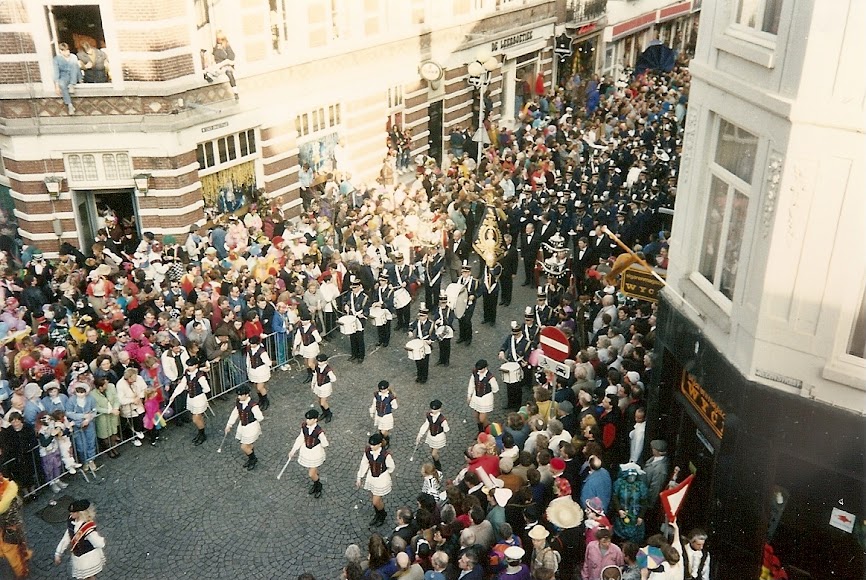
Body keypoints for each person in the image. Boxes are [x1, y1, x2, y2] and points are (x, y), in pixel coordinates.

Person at [54, 499, 106, 579]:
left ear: (80, 513)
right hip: (78, 558)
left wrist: (100, 542)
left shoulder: (87, 527)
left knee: (87, 577)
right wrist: (58, 552)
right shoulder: (71, 521)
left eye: (73, 512)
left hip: (88, 558)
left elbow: (99, 543)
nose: (71, 513)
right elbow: (66, 537)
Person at [166, 358, 210, 446]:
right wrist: (174, 395)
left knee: (195, 418)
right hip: (191, 399)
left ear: (196, 365)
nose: (189, 367)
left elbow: (207, 389)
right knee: (198, 418)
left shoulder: (200, 376)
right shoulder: (187, 374)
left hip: (199, 399)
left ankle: (202, 434)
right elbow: (182, 385)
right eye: (188, 365)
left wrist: (198, 391)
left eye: (191, 365)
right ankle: (201, 433)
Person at [287, 409, 329, 498]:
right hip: (306, 450)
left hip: (315, 452)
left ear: (315, 420)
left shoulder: (319, 431)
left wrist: (320, 442)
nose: (307, 421)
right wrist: (293, 450)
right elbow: (301, 438)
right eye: (307, 419)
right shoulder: (304, 427)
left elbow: (325, 443)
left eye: (310, 419)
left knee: (311, 474)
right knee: (312, 470)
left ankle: (318, 485)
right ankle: (316, 483)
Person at [356, 433, 396, 527]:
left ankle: (382, 515)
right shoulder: (368, 451)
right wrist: (359, 477)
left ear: (379, 444)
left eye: (374, 445)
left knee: (375, 500)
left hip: (381, 479)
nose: (371, 446)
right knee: (374, 498)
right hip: (371, 477)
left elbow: (391, 467)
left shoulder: (385, 455)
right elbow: (364, 463)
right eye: (370, 444)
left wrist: (384, 473)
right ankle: (378, 514)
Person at [224, 385, 264, 471]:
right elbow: (235, 413)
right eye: (238, 395)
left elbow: (260, 417)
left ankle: (253, 459)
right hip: (243, 426)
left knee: (244, 446)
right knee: (248, 445)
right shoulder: (239, 402)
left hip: (251, 427)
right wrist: (229, 424)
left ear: (246, 395)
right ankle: (251, 458)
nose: (239, 397)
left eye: (240, 395)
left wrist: (253, 418)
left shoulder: (253, 405)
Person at [498, 321, 530, 410]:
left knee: (517, 388)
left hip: (519, 366)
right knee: (509, 385)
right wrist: (502, 351)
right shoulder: (510, 337)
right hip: (509, 364)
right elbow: (504, 345)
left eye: (516, 334)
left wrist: (526, 362)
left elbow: (528, 355)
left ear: (520, 332)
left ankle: (517, 405)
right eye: (514, 334)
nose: (515, 336)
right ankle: (510, 403)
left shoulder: (526, 342)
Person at [415, 399, 449, 472]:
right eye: (432, 409)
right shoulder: (429, 416)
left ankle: (438, 465)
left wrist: (443, 427)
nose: (433, 411)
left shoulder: (442, 419)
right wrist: (420, 434)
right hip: (431, 435)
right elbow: (426, 424)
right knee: (432, 451)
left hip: (438, 437)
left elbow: (446, 429)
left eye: (435, 409)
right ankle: (435, 462)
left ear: (439, 409)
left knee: (434, 453)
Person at [467, 359, 499, 434]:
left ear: (485, 368)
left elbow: (495, 388)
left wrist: (488, 391)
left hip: (485, 399)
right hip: (476, 397)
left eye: (480, 369)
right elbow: (471, 384)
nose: (479, 370)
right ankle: (480, 431)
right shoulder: (475, 373)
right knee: (476, 416)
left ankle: (487, 431)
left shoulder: (490, 377)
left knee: (482, 419)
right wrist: (469, 395)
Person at [344, 276, 370, 363]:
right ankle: (354, 354)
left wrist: (364, 314)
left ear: (360, 287)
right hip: (351, 317)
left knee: (359, 338)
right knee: (352, 337)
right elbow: (345, 300)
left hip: (359, 319)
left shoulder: (364, 297)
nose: (353, 289)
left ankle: (361, 356)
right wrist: (346, 305)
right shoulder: (350, 294)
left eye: (355, 288)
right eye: (352, 288)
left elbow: (367, 308)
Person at [408, 302, 434, 384]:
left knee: (424, 362)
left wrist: (431, 341)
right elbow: (412, 326)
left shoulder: (430, 324)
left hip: (426, 343)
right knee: (417, 360)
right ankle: (419, 375)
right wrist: (410, 331)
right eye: (419, 316)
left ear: (426, 316)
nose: (420, 317)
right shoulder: (417, 321)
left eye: (422, 316)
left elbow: (434, 334)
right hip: (418, 342)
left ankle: (424, 377)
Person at [293, 311, 322, 383]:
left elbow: (319, 339)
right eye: (302, 320)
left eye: (305, 320)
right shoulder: (301, 328)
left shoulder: (312, 329)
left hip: (311, 347)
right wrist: (295, 346)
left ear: (309, 321)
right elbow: (298, 337)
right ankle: (310, 375)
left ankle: (317, 374)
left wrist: (313, 338)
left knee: (310, 363)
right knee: (306, 363)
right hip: (304, 347)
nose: (303, 322)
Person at [53, 43, 81, 115]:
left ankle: (72, 84)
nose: (67, 52)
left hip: (74, 75)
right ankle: (70, 105)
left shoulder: (73, 57)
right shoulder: (57, 59)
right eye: (64, 51)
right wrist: (57, 86)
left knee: (74, 65)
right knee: (62, 84)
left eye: (67, 50)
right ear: (61, 51)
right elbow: (56, 72)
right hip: (64, 76)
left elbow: (77, 69)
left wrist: (80, 80)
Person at [455, 261, 479, 345]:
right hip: (460, 303)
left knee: (467, 320)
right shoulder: (459, 280)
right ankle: (462, 336)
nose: (464, 274)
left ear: (469, 273)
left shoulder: (474, 282)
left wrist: (474, 296)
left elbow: (479, 291)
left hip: (470, 303)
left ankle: (468, 337)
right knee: (460, 319)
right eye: (463, 272)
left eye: (466, 272)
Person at [245, 334, 272, 410]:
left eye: (253, 344)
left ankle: (266, 401)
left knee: (260, 387)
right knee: (256, 387)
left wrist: (268, 364)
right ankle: (261, 400)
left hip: (261, 370)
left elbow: (267, 361)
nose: (251, 345)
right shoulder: (250, 350)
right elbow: (248, 360)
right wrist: (248, 368)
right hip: (253, 371)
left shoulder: (262, 351)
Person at [369, 380, 397, 449]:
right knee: (380, 429)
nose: (383, 391)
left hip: (386, 416)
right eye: (381, 389)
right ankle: (381, 441)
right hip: (378, 415)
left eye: (384, 389)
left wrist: (389, 406)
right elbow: (374, 404)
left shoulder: (390, 397)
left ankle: (385, 441)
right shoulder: (377, 395)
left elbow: (395, 406)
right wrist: (372, 412)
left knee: (383, 431)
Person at [210, 31, 238, 100]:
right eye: (218, 39)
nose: (219, 41)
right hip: (220, 65)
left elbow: (231, 57)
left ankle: (235, 92)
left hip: (228, 64)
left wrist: (224, 57)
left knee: (229, 73)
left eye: (221, 39)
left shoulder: (227, 46)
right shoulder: (216, 48)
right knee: (214, 71)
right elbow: (216, 58)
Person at [311, 353, 336, 422]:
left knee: (323, 402)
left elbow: (333, 379)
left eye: (321, 361)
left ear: (325, 361)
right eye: (318, 361)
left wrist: (327, 380)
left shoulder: (328, 369)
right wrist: (313, 383)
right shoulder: (317, 366)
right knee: (319, 401)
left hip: (325, 387)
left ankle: (329, 414)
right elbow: (315, 375)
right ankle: (324, 413)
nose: (319, 363)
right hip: (318, 385)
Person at [432, 292, 455, 366]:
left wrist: (442, 321)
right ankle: (441, 359)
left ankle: (446, 360)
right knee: (441, 345)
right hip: (440, 329)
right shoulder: (437, 309)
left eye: (444, 302)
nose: (443, 304)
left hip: (447, 329)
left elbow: (450, 320)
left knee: (447, 346)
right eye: (442, 302)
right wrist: (437, 321)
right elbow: (435, 318)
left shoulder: (449, 310)